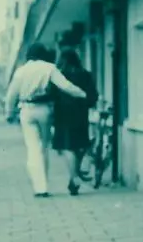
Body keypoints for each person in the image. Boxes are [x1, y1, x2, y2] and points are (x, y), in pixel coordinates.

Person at [5, 43, 87, 198]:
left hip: (27, 110)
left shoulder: (21, 71)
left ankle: (40, 188)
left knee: (33, 148)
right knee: (44, 147)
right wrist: (82, 94)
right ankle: (44, 182)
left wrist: (9, 112)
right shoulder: (49, 68)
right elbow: (66, 86)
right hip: (45, 110)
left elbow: (11, 94)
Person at [52, 48, 98, 196]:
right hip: (81, 115)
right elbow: (93, 96)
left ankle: (74, 177)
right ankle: (74, 181)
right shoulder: (86, 75)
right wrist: (85, 104)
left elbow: (52, 95)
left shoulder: (59, 75)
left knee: (67, 147)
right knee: (79, 146)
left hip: (62, 116)